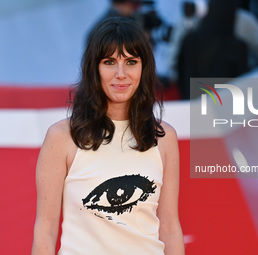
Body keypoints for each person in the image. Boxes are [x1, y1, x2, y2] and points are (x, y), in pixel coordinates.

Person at [31, 17, 185, 255]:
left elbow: (170, 228)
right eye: (110, 62)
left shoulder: (164, 138)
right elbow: (46, 229)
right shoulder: (62, 137)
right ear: (94, 68)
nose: (121, 74)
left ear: (144, 68)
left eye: (131, 62)